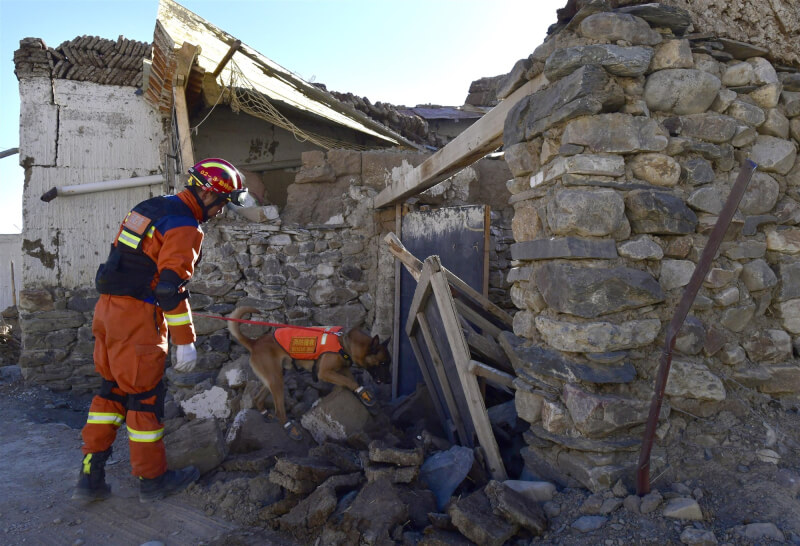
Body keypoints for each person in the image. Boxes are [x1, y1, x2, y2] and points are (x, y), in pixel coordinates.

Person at [73, 158, 248, 502]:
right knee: (144, 399)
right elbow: (169, 289)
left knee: (109, 393)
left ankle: (89, 479)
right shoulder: (185, 226)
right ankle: (152, 482)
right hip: (138, 320)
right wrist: (185, 341)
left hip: (107, 313)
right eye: (222, 203)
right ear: (208, 194)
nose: (220, 212)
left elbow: (127, 260)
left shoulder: (147, 209)